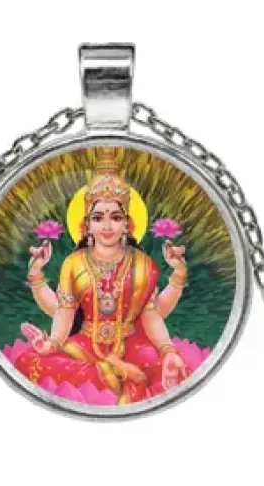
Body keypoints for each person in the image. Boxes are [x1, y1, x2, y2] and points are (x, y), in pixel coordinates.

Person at [16, 148, 190, 404]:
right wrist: (52, 344)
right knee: (29, 361)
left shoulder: (143, 264)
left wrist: (167, 350)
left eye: (116, 217)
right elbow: (65, 311)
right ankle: (117, 374)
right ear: (86, 225)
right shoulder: (74, 263)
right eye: (98, 218)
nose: (107, 226)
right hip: (85, 345)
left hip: (131, 346)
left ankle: (117, 374)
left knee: (171, 367)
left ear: (127, 224)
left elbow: (151, 314)